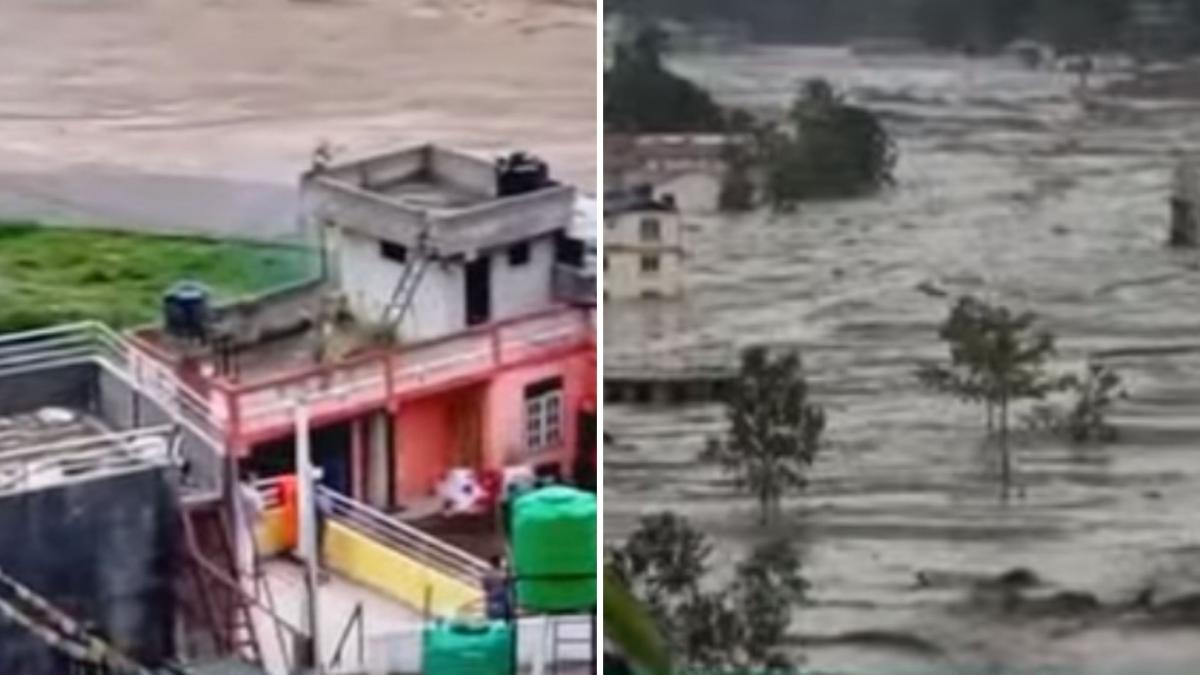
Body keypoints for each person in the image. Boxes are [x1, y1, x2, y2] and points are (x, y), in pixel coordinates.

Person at [482, 555, 512, 621]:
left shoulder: (486, 574)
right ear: (499, 563)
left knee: (492, 614)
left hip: (492, 596)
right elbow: (508, 583)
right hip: (502, 596)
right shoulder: (503, 572)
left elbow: (485, 587)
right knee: (506, 615)